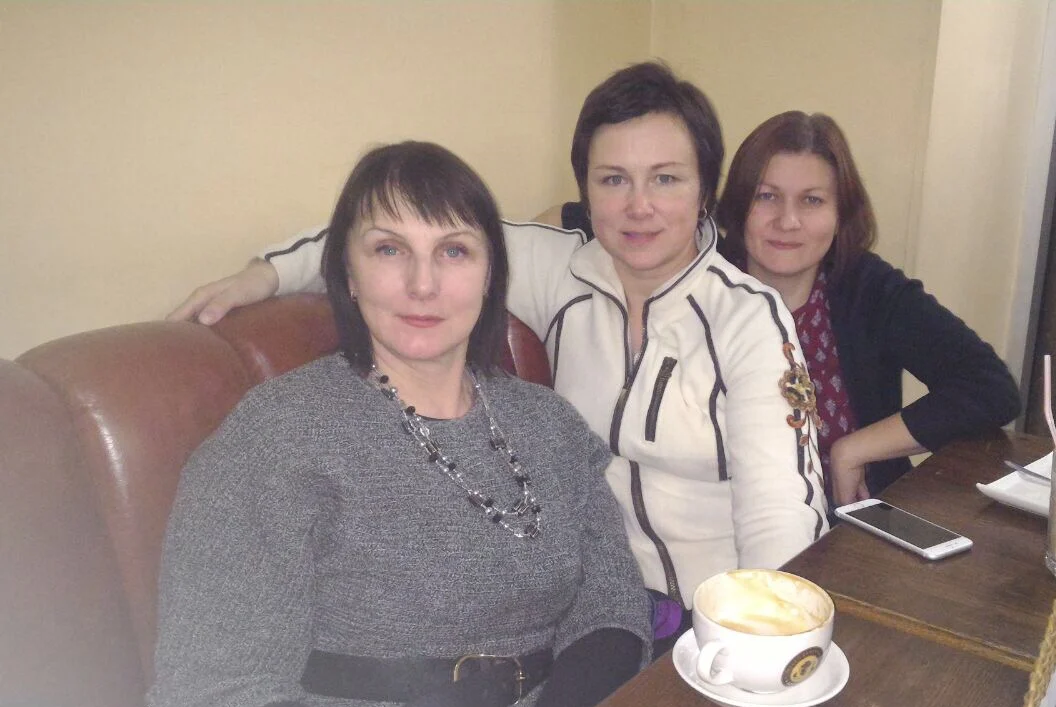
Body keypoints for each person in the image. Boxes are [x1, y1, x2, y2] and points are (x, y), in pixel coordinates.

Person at [168, 64, 829, 643]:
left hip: (712, 619)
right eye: (613, 179)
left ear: (705, 190)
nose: (639, 206)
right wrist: (263, 276)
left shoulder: (748, 318)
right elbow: (398, 232)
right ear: (585, 189)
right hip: (587, 607)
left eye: (666, 179)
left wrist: (761, 645)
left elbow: (780, 513)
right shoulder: (559, 271)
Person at [149, 142, 652, 707]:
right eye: (389, 249)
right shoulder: (276, 436)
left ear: (490, 275)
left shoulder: (550, 423)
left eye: (454, 251)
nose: (423, 284)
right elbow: (216, 686)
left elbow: (611, 606)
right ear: (348, 273)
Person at [716, 111, 1021, 505]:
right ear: (739, 204)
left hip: (849, 525)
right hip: (723, 525)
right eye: (766, 196)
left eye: (812, 200)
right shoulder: (698, 290)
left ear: (840, 214)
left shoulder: (867, 287)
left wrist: (855, 448)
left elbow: (990, 387)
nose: (787, 221)